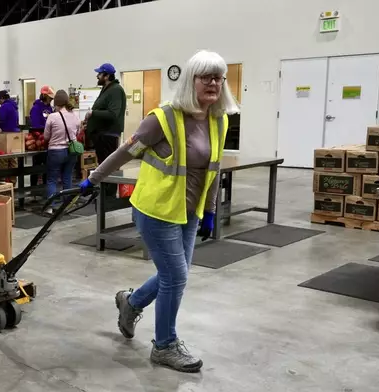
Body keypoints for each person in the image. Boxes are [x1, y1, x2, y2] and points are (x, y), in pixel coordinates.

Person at [80, 50, 240, 372]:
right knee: (176, 276)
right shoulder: (163, 118)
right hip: (155, 210)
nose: (212, 83)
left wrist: (209, 210)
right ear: (190, 81)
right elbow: (127, 151)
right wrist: (94, 178)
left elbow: (213, 168)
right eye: (204, 76)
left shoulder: (218, 119)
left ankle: (131, 302)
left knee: (173, 275)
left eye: (218, 77)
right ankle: (164, 346)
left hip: (188, 212)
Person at [85, 63, 127, 196]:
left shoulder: (115, 90)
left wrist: (93, 114)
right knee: (104, 166)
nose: (97, 76)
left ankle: (108, 196)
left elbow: (113, 113)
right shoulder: (107, 89)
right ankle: (105, 194)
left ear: (107, 76)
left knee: (109, 167)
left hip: (108, 136)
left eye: (99, 74)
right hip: (101, 135)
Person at [43, 90, 80, 214]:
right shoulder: (75, 116)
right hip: (72, 151)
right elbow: (77, 133)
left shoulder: (52, 117)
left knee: (52, 179)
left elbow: (46, 136)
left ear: (56, 103)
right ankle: (66, 205)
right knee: (67, 177)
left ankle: (50, 207)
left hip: (56, 151)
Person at [29, 86, 55, 187]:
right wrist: (47, 128)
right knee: (36, 165)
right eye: (50, 97)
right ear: (44, 95)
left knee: (47, 166)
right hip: (38, 140)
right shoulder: (36, 108)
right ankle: (34, 188)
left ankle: (45, 186)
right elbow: (35, 124)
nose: (51, 99)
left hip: (49, 140)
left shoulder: (50, 108)